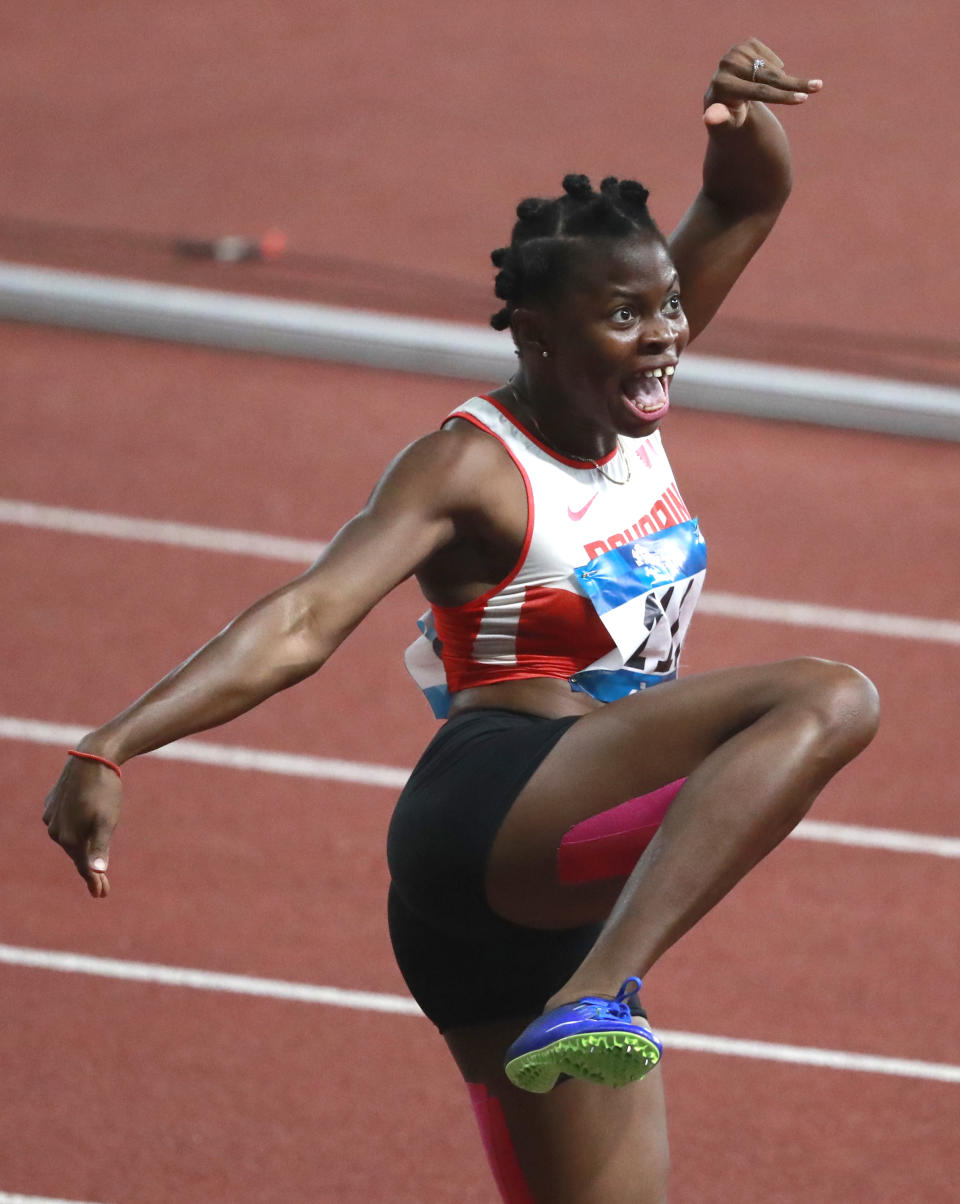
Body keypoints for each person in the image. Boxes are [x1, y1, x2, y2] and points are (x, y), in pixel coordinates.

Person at [43, 38, 879, 1204]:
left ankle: (589, 990)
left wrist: (735, 114)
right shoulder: (469, 469)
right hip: (496, 806)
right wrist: (112, 742)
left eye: (671, 305)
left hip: (539, 895)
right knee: (828, 695)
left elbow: (750, 195)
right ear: (538, 334)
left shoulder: (628, 400)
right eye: (628, 313)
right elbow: (306, 617)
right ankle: (604, 993)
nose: (666, 333)